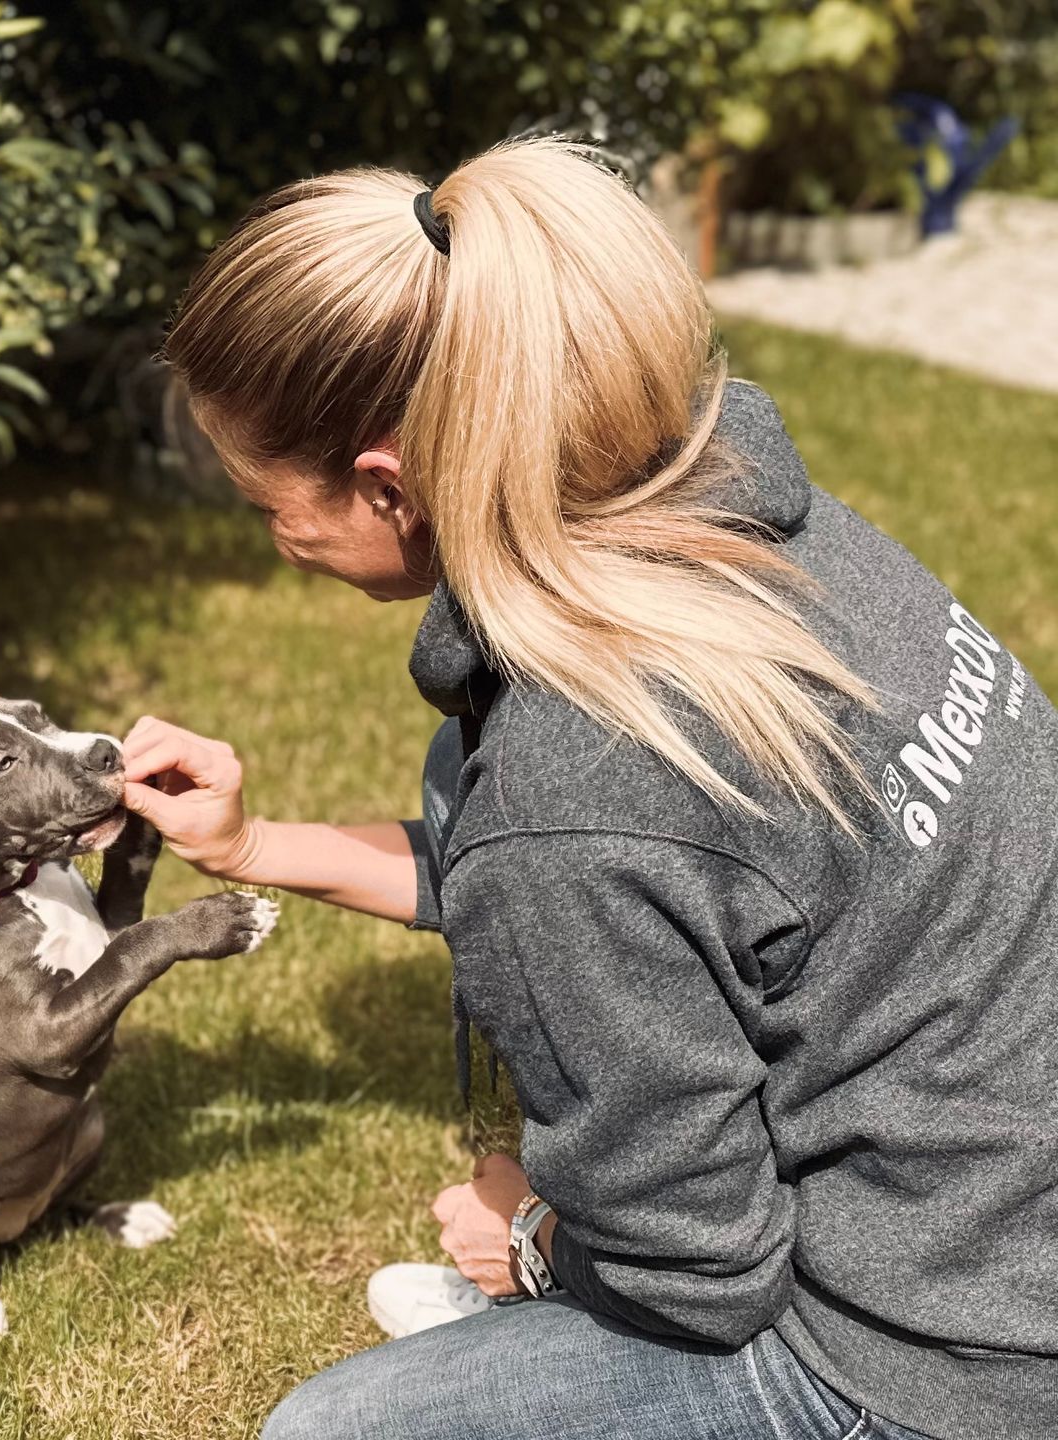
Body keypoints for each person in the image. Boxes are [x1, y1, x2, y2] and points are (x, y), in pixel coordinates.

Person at [119, 138, 1057, 1440]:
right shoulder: (741, 526)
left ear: (385, 488)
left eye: (264, 504)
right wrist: (252, 844)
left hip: (940, 1358)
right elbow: (639, 879)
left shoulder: (577, 780)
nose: (276, 542)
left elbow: (710, 1272)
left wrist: (538, 1237)